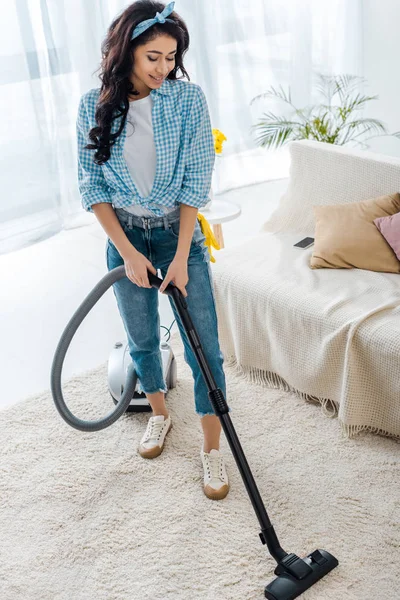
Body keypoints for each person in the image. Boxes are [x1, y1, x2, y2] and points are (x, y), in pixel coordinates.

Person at [76, 1, 231, 500]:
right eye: (153, 57)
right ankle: (159, 415)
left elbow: (195, 182)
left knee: (203, 344)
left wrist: (183, 254)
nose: (165, 68)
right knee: (141, 335)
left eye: (171, 56)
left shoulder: (188, 101)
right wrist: (126, 252)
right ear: (127, 54)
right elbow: (92, 186)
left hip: (175, 233)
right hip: (124, 236)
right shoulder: (92, 106)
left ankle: (212, 448)